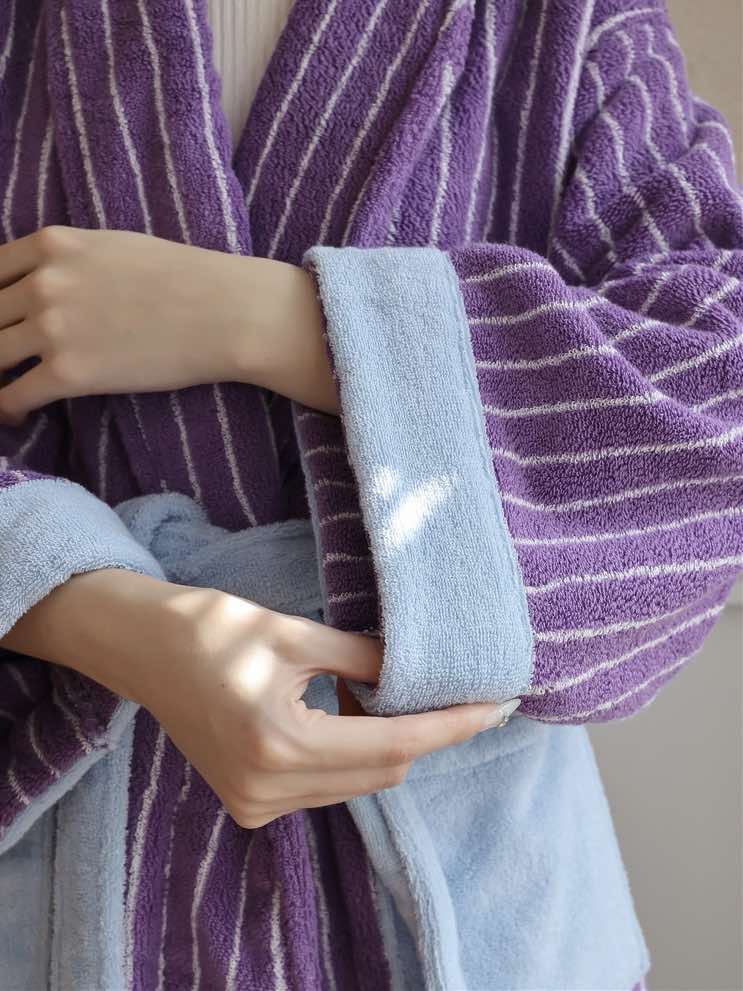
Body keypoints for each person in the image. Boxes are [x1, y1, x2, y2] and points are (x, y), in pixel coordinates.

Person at [0, 0, 740, 988]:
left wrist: (274, 322)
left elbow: (716, 391)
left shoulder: (566, 21)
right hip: (72, 871)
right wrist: (97, 614)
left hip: (474, 899)